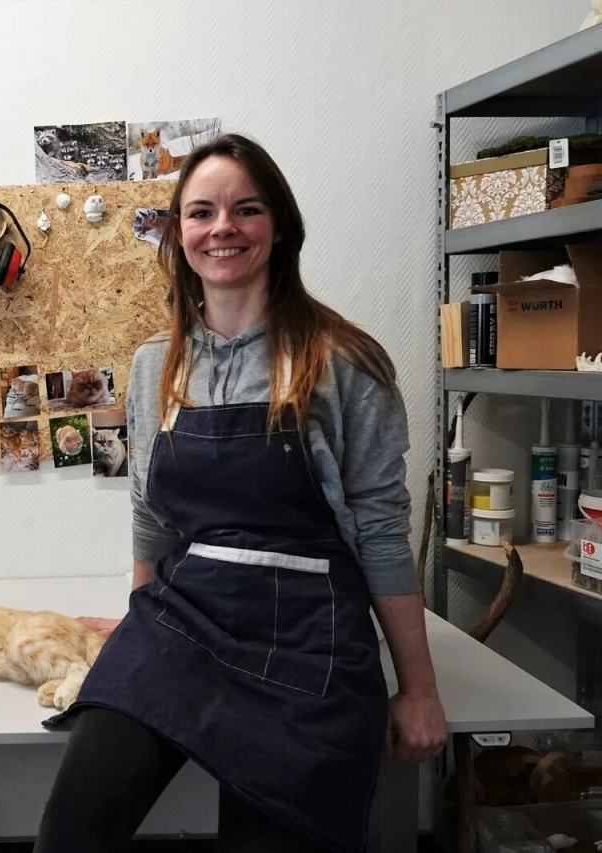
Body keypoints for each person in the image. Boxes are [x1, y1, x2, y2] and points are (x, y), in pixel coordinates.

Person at [35, 134, 447, 853]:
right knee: (70, 834)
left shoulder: (345, 362)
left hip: (308, 635)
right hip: (184, 619)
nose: (222, 227)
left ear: (279, 226)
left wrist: (418, 688)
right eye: (201, 212)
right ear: (179, 233)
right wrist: (137, 625)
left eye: (246, 209)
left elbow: (382, 531)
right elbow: (150, 512)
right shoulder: (154, 364)